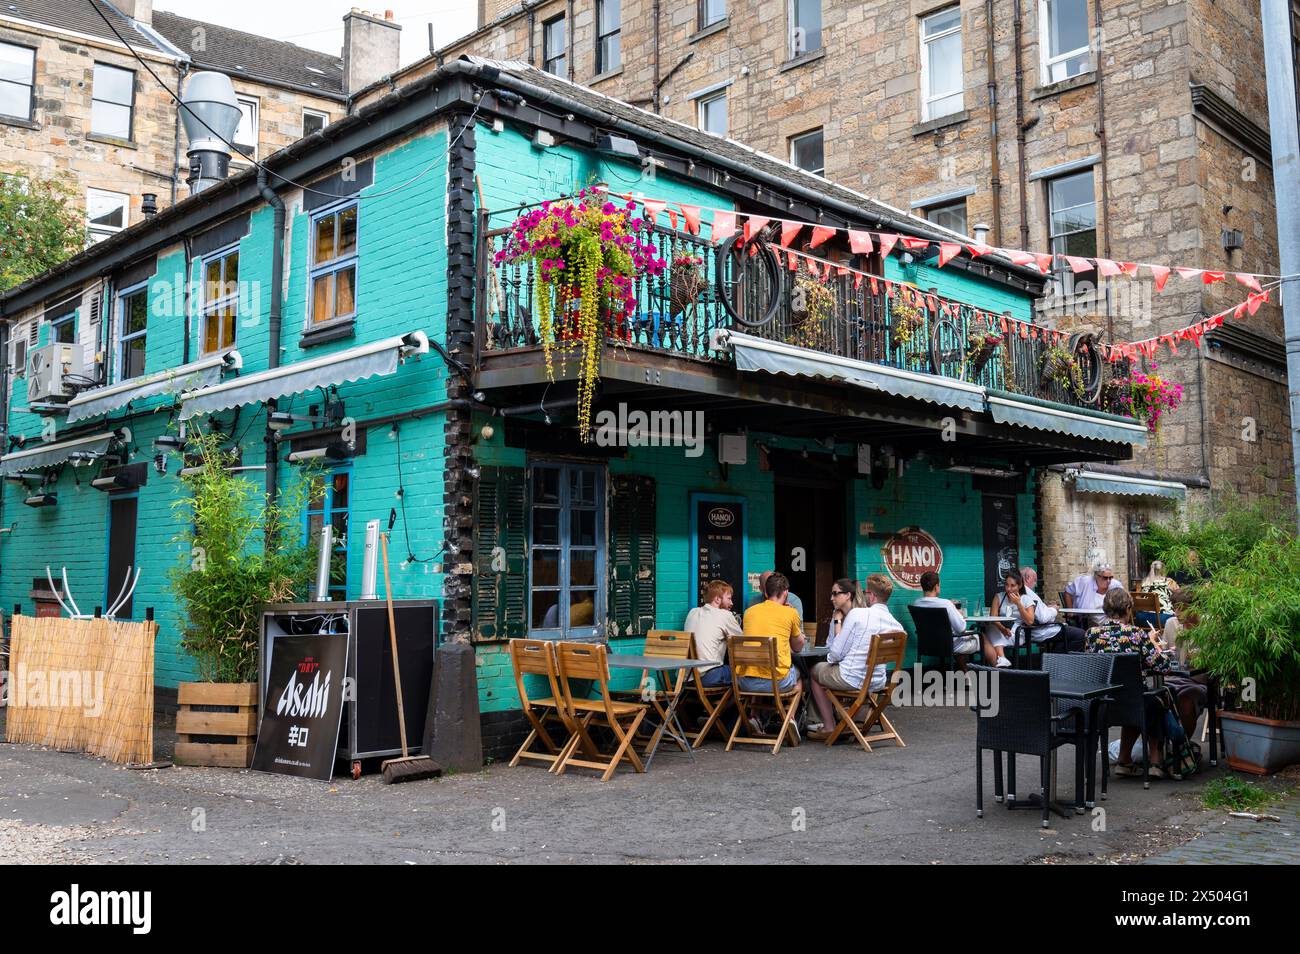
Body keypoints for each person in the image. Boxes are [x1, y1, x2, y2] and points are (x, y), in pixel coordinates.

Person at [1084, 587, 1175, 777]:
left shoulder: (1091, 634)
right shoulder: (1136, 634)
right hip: (1132, 703)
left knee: (1136, 696)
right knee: (1155, 701)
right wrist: (1155, 645)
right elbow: (1162, 667)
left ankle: (1124, 761)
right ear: (1128, 608)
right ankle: (1155, 761)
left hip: (1103, 704)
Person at [807, 573, 902, 738]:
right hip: (878, 681)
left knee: (815, 671)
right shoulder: (897, 625)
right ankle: (845, 720)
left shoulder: (857, 615)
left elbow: (835, 653)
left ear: (871, 596)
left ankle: (829, 726)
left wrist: (831, 659)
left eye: (866, 592)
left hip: (851, 677)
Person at [738, 572, 804, 699]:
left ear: (766, 593)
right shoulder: (791, 612)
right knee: (800, 675)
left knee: (760, 670)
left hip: (745, 682)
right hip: (777, 683)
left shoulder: (748, 612)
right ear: (785, 593)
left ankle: (755, 715)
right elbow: (797, 647)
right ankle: (790, 717)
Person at [683, 579, 743, 688]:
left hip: (686, 678)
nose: (732, 603)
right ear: (717, 599)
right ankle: (741, 704)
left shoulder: (692, 612)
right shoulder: (725, 615)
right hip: (708, 677)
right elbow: (742, 643)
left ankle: (724, 704)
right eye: (729, 599)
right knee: (746, 672)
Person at [911, 570, 978, 659]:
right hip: (949, 645)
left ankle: (965, 672)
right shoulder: (946, 604)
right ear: (936, 587)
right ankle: (998, 670)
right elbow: (961, 628)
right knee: (982, 637)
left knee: (957, 637)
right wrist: (959, 614)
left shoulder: (917, 603)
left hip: (927, 645)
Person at [1139, 560, 1179, 627]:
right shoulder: (1169, 581)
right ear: (1163, 570)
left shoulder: (1144, 582)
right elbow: (1180, 595)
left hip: (1142, 617)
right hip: (1163, 617)